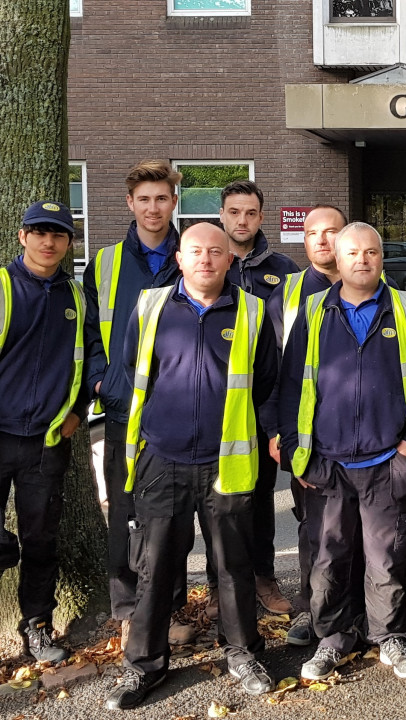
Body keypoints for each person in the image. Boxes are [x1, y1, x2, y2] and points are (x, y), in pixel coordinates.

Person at [104, 222, 278, 710]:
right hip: (162, 458)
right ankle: (143, 666)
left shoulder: (252, 311)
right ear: (179, 258)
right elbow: (134, 370)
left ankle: (242, 653)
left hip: (227, 463)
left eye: (215, 252)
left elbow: (265, 382)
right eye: (195, 251)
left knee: (233, 565)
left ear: (229, 260)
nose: (205, 259)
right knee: (155, 567)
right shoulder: (151, 307)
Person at [279, 222, 406, 681]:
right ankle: (332, 639)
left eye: (371, 252)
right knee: (328, 559)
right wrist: (297, 453)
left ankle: (388, 634)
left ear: (380, 257)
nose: (363, 260)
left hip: (387, 459)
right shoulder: (313, 311)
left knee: (386, 559)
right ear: (339, 256)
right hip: (326, 463)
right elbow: (290, 387)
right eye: (353, 253)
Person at [83, 159, 189, 647]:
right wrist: (103, 380)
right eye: (144, 199)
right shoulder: (103, 263)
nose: (153, 208)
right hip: (125, 407)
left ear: (174, 202)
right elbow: (88, 332)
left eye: (162, 198)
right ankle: (128, 609)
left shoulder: (192, 255)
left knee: (175, 515)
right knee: (125, 510)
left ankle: (170, 609)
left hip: (180, 407)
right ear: (130, 203)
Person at [262, 203, 365, 648]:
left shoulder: (374, 290)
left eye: (332, 231)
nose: (322, 240)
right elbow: (266, 372)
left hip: (365, 441)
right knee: (314, 533)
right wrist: (274, 432)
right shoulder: (283, 295)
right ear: (304, 242)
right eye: (313, 233)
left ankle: (360, 614)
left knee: (363, 534)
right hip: (308, 439)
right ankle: (313, 612)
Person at [200, 180, 299, 617]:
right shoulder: (204, 263)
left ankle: (263, 578)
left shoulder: (282, 269)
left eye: (251, 213)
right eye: (234, 212)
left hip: (261, 404)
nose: (242, 220)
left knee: (258, 499)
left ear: (261, 217)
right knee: (213, 503)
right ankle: (217, 587)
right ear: (222, 214)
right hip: (211, 404)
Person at [0, 201, 86, 663]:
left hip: (46, 442)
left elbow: (87, 360)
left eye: (57, 234)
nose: (47, 242)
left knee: (40, 539)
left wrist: (76, 413)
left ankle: (36, 624)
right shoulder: (1, 286)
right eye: (39, 232)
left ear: (68, 243)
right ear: (22, 236)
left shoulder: (75, 298)